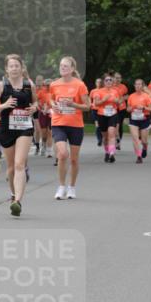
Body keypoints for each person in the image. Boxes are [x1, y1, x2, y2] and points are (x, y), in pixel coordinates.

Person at [0, 54, 37, 217]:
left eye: (17, 66)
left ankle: (18, 201)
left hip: (25, 128)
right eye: (11, 66)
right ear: (6, 69)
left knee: (19, 164)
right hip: (6, 129)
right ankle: (13, 194)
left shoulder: (29, 85)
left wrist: (34, 108)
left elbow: (35, 102)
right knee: (10, 169)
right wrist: (4, 105)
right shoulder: (1, 86)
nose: (14, 68)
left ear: (22, 68)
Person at [49, 56, 90, 199]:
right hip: (58, 123)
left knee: (73, 159)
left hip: (75, 125)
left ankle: (71, 187)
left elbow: (87, 107)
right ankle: (61, 186)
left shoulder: (80, 85)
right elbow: (51, 98)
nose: (62, 68)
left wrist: (73, 105)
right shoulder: (54, 84)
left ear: (72, 69)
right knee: (62, 154)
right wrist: (52, 104)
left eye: (66, 66)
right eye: (61, 65)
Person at [91, 73, 121, 163]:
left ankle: (112, 153)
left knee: (111, 133)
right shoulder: (98, 92)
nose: (108, 81)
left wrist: (117, 101)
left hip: (113, 114)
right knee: (105, 137)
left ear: (112, 82)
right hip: (102, 115)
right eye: (107, 80)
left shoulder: (115, 91)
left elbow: (119, 102)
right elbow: (96, 103)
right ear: (104, 82)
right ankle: (107, 152)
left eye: (110, 80)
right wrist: (104, 99)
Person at [127, 79, 151, 163]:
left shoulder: (146, 96)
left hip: (144, 119)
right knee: (135, 138)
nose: (138, 86)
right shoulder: (131, 96)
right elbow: (128, 109)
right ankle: (139, 156)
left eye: (139, 84)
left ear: (142, 86)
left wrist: (143, 108)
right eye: (136, 84)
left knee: (144, 141)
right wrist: (131, 108)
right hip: (134, 119)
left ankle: (145, 148)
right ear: (134, 86)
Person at [36, 77, 53, 158]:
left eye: (49, 85)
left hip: (52, 114)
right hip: (42, 113)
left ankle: (49, 151)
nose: (48, 87)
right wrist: (41, 108)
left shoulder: (54, 92)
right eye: (46, 85)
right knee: (44, 133)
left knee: (50, 132)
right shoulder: (41, 92)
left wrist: (51, 108)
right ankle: (43, 144)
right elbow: (36, 102)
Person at [113, 72, 128, 150]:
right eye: (116, 77)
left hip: (122, 108)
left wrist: (121, 100)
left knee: (119, 125)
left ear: (121, 79)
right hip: (113, 108)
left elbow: (126, 96)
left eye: (119, 78)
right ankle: (116, 140)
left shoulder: (124, 87)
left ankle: (118, 141)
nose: (117, 79)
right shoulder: (111, 86)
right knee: (115, 125)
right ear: (113, 78)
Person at [89, 77, 103, 147]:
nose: (99, 83)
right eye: (97, 82)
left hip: (102, 110)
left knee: (102, 125)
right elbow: (89, 99)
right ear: (95, 83)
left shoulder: (104, 90)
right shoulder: (93, 91)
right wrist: (90, 104)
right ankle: (99, 140)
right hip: (94, 109)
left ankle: (103, 137)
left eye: (100, 82)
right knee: (97, 125)